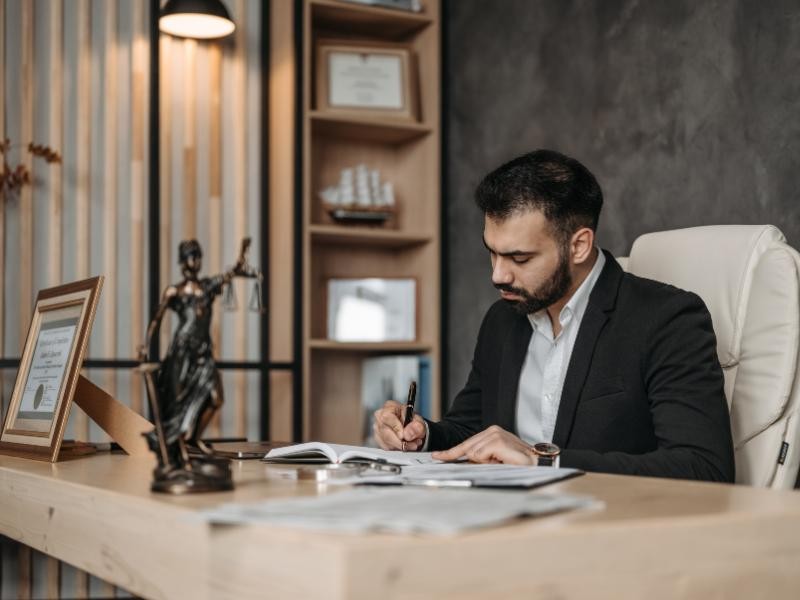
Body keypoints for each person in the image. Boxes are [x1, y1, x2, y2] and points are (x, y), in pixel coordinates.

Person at [373, 149, 735, 482]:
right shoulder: (503, 319)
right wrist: (422, 435)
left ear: (579, 245)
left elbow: (704, 467)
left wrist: (543, 463)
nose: (498, 275)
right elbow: (471, 428)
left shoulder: (667, 319)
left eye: (520, 258)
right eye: (492, 253)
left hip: (608, 532)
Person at [140, 238, 257, 470]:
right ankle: (181, 447)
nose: (196, 261)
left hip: (203, 352)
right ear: (182, 262)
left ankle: (193, 437)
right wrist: (145, 345)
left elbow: (231, 273)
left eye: (198, 256)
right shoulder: (174, 291)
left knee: (216, 398)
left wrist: (242, 256)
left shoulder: (207, 287)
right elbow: (156, 319)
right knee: (179, 404)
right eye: (191, 256)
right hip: (182, 353)